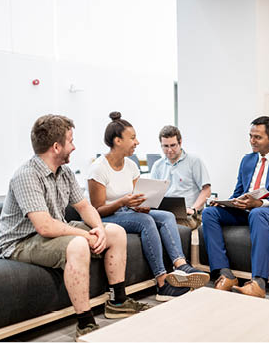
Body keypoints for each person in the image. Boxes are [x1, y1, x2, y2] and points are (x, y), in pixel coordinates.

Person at [0, 114, 150, 340]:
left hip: (53, 230)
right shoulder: (27, 175)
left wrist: (98, 228)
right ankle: (85, 323)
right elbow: (45, 226)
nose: (74, 146)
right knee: (78, 243)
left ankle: (118, 301)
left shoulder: (64, 172)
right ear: (57, 146)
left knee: (115, 232)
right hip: (21, 242)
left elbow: (85, 206)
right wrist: (85, 235)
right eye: (71, 141)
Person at [87, 112, 210, 302]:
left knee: (167, 216)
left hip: (128, 211)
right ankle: (162, 283)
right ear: (118, 141)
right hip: (108, 216)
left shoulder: (131, 166)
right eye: (133, 138)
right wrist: (123, 202)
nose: (137, 142)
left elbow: (138, 196)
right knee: (145, 221)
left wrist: (143, 205)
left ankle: (181, 265)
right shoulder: (98, 168)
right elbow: (96, 210)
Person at [202, 116, 269, 298]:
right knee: (209, 213)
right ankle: (225, 274)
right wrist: (228, 202)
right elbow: (238, 191)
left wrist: (259, 203)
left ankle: (258, 283)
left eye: (257, 137)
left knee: (258, 214)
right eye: (250, 136)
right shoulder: (247, 160)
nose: (252, 141)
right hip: (246, 210)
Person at [150, 125, 211, 229]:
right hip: (165, 213)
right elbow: (153, 194)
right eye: (165, 146)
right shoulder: (157, 166)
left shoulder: (194, 161)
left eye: (173, 145)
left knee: (166, 227)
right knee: (147, 224)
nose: (169, 150)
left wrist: (193, 209)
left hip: (189, 215)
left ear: (180, 142)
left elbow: (206, 190)